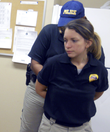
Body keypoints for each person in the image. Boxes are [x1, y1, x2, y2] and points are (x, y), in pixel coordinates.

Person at [20, 1, 105, 132]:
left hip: (70, 96)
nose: (67, 26)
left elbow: (97, 81)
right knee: (29, 128)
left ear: (83, 19)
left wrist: (74, 94)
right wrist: (55, 84)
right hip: (41, 88)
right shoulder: (49, 32)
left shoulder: (93, 45)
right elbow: (35, 62)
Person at [35, 18, 108, 132]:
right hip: (53, 126)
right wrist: (60, 99)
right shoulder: (53, 64)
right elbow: (39, 89)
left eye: (74, 40)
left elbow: (97, 93)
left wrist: (78, 99)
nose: (67, 45)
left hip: (82, 127)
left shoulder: (99, 69)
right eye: (65, 40)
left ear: (88, 43)